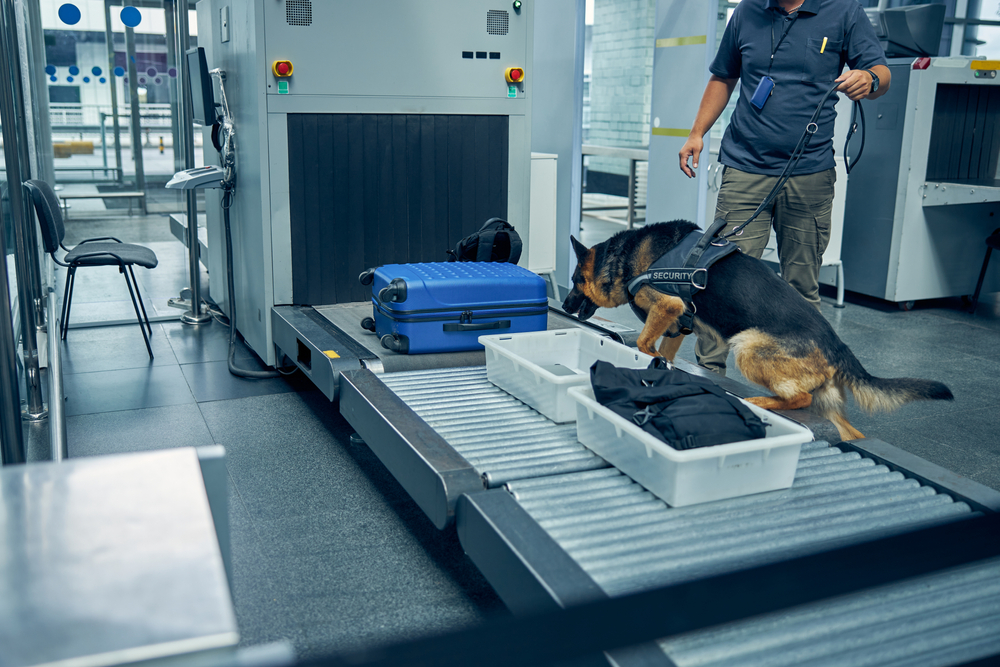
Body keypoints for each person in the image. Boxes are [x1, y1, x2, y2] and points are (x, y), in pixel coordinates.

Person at [678, 0, 890, 375]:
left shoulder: (844, 12)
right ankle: (707, 375)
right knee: (722, 278)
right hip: (746, 166)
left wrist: (869, 80)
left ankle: (802, 379)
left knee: (801, 285)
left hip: (809, 171)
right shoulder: (746, 12)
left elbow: (881, 74)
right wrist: (697, 133)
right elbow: (723, 77)